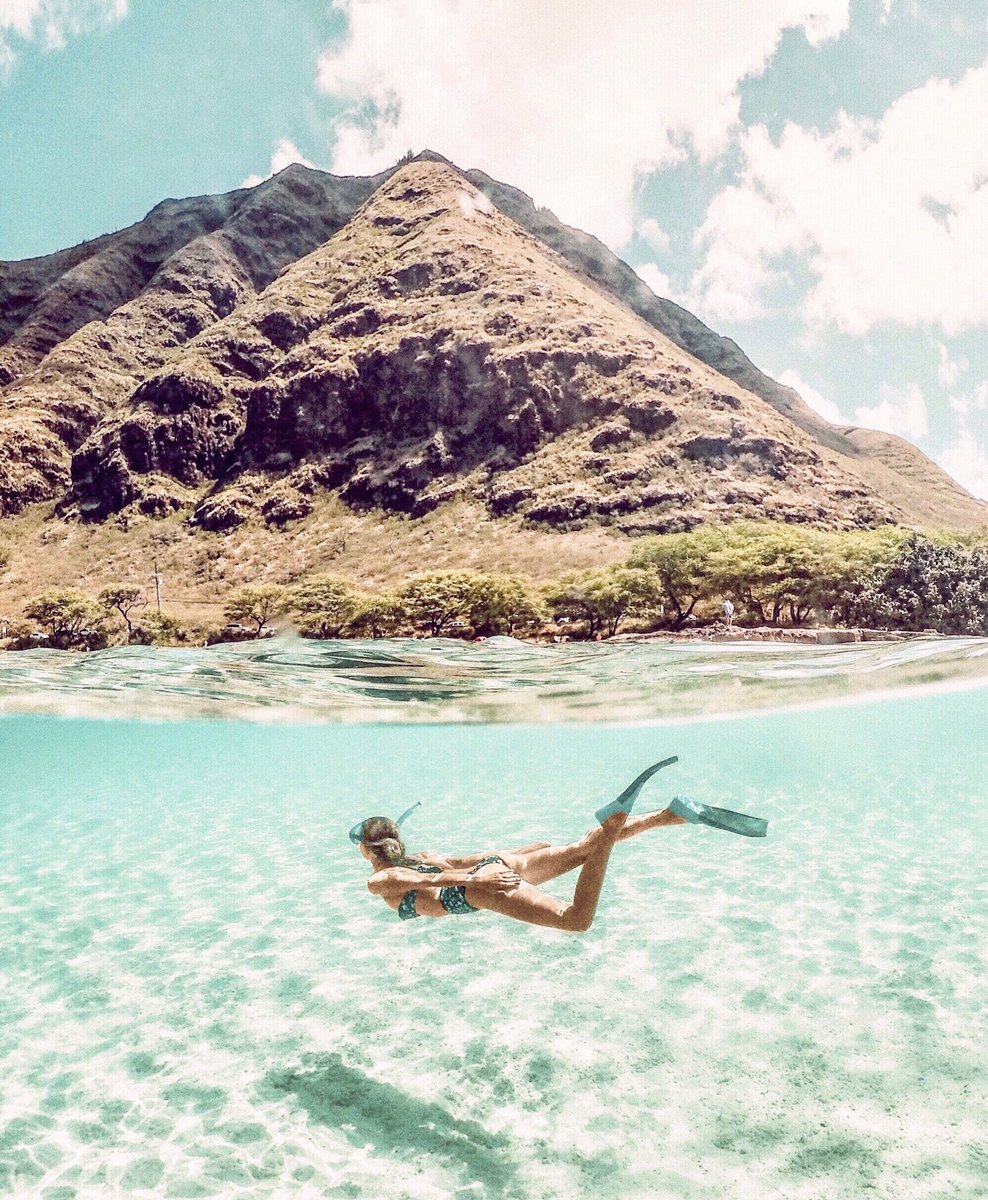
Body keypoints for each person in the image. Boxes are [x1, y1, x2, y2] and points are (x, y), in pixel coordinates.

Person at [351, 759, 689, 932]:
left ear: (367, 850)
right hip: (495, 866)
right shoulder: (420, 857)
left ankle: (613, 823)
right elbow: (462, 861)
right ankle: (669, 815)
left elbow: (433, 880)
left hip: (476, 888)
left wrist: (477, 881)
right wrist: (518, 854)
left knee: (575, 920)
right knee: (581, 848)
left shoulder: (379, 880)